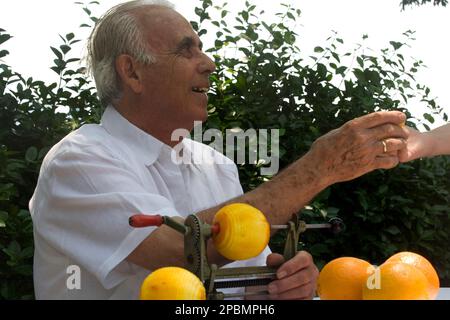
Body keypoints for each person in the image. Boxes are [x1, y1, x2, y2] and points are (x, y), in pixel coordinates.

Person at [29, 0, 409, 300]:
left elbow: (245, 281)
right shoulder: (77, 162)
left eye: (203, 49)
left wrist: (282, 282)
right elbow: (181, 250)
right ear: (132, 72)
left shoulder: (217, 163)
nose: (209, 64)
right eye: (186, 50)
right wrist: (319, 167)